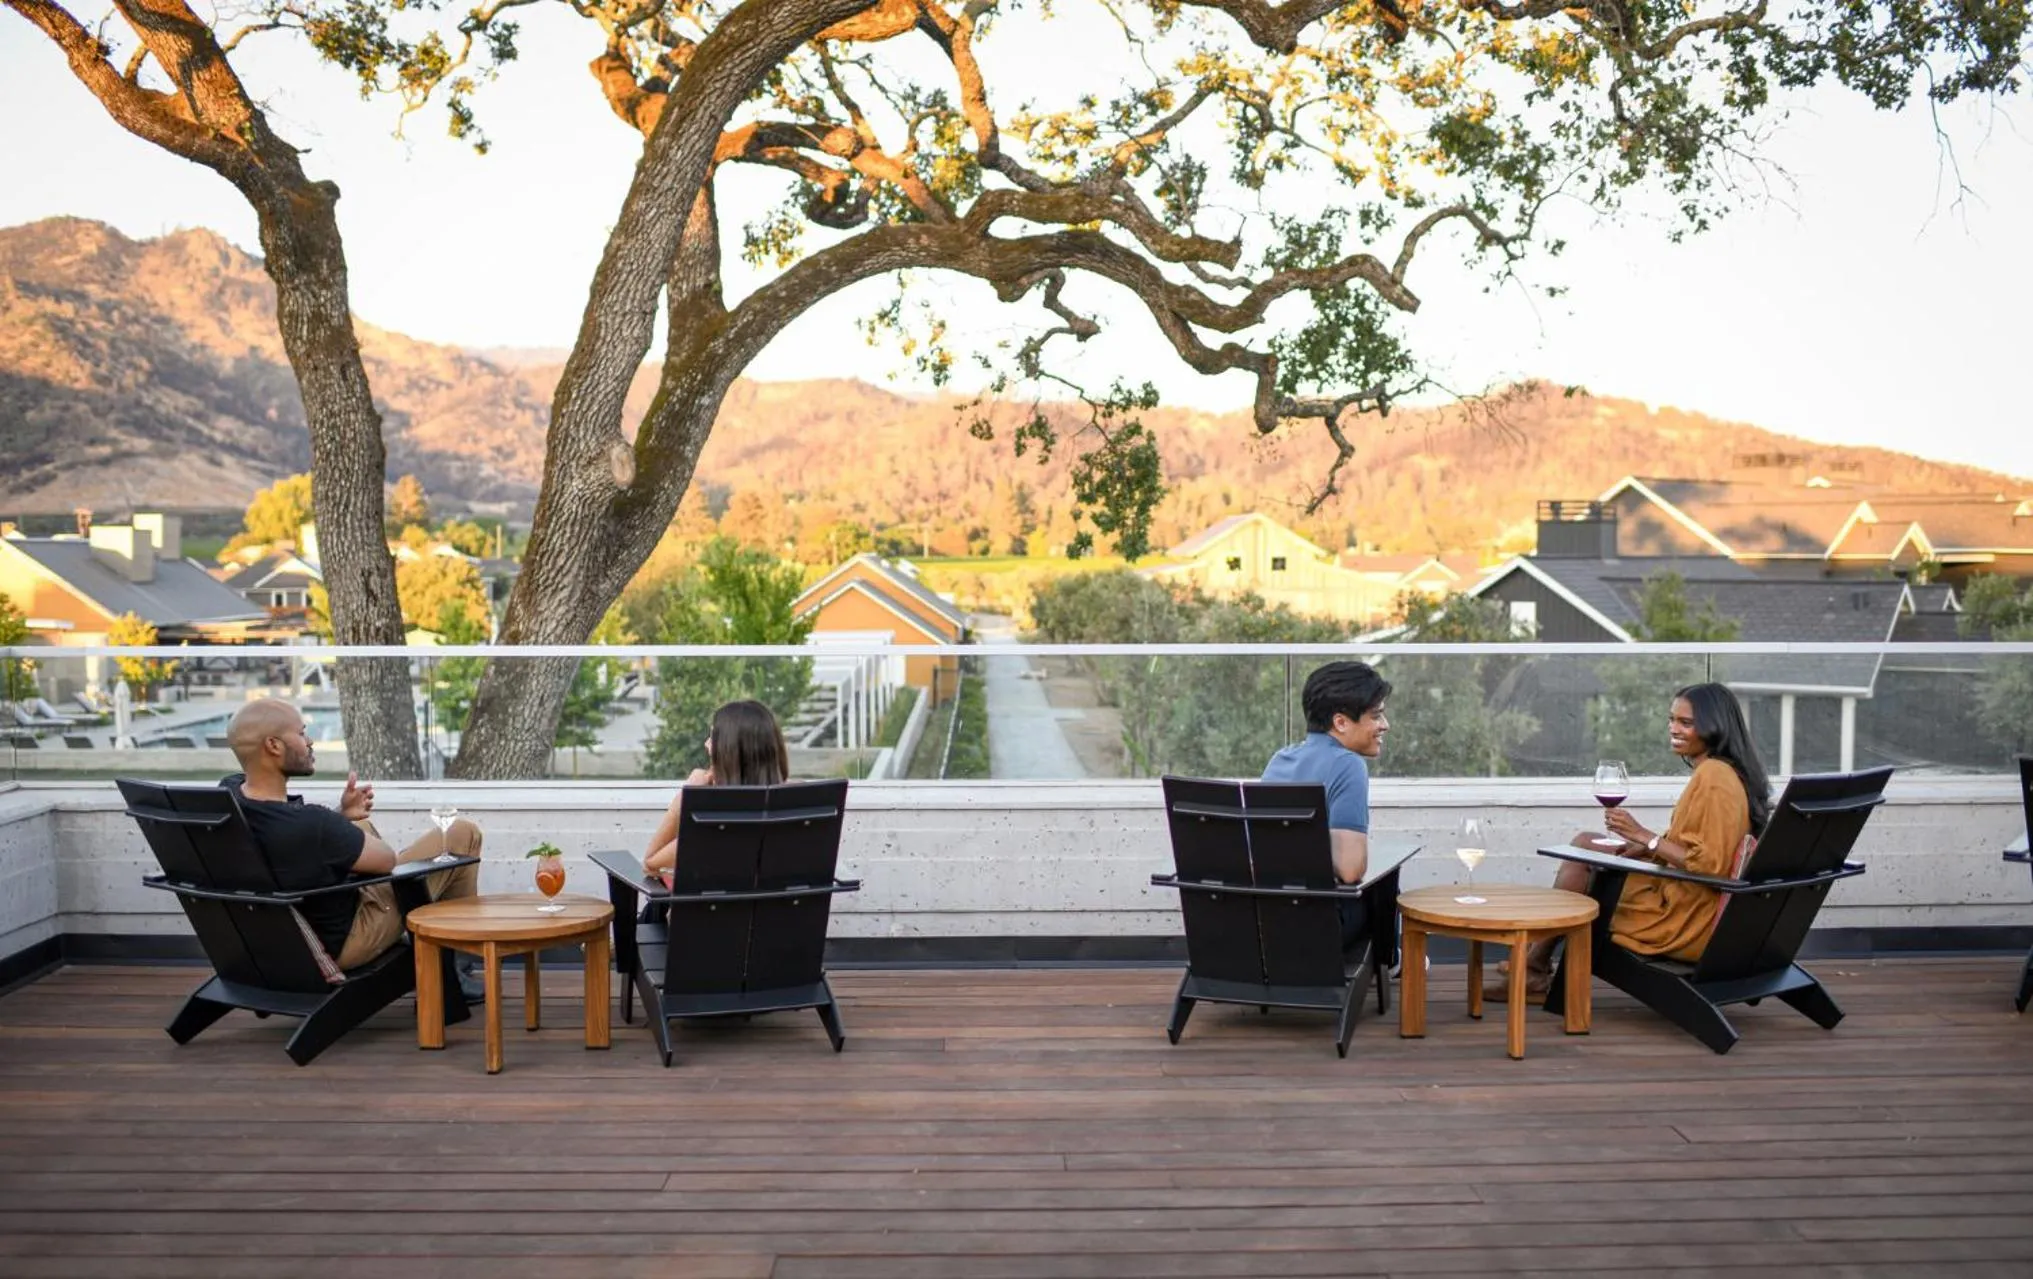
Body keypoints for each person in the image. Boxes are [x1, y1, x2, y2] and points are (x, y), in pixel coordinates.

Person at [1498, 681, 1771, 999]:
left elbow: (1709, 865)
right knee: (1586, 842)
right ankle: (1535, 962)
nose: (1674, 729)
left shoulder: (1714, 777)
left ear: (1715, 726)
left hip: (1682, 918)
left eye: (1686, 722)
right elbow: (1701, 844)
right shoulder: (1724, 771)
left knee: (1583, 866)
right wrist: (1645, 848)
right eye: (1672, 719)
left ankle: (1533, 967)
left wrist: (1647, 838)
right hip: (1686, 895)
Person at [222, 698, 483, 985]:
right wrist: (336, 827)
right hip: (345, 941)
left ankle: (451, 963)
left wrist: (341, 817)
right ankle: (451, 971)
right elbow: (387, 861)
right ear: (274, 745)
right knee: (462, 833)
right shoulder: (312, 823)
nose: (309, 742)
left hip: (281, 940)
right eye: (301, 733)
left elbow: (299, 838)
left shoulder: (230, 797)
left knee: (360, 824)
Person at [1260, 660, 1392, 949]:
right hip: (1319, 926)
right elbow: (1349, 870)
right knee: (1386, 875)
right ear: (1341, 722)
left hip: (1264, 920)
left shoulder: (1280, 760)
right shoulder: (1348, 765)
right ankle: (1394, 960)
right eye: (1376, 716)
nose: (1385, 725)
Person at [643, 699, 791, 874]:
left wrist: (686, 795)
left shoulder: (716, 823)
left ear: (728, 752)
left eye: (712, 738)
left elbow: (651, 863)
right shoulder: (797, 809)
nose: (706, 744)